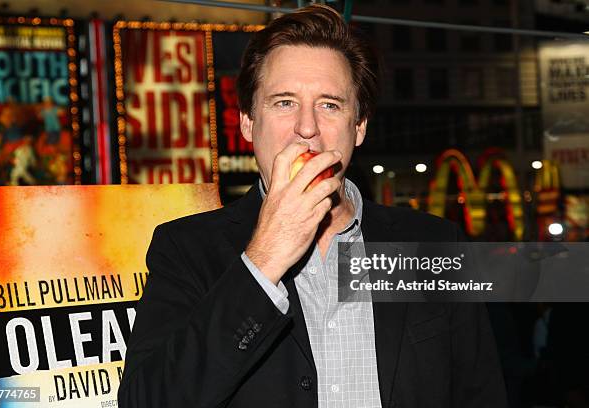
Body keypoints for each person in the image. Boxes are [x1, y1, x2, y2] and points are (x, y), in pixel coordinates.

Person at [118, 5, 506, 407]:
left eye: (330, 105)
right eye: (284, 102)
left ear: (358, 127)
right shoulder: (186, 250)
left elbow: (481, 394)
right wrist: (264, 260)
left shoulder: (432, 243)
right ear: (248, 122)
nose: (307, 127)